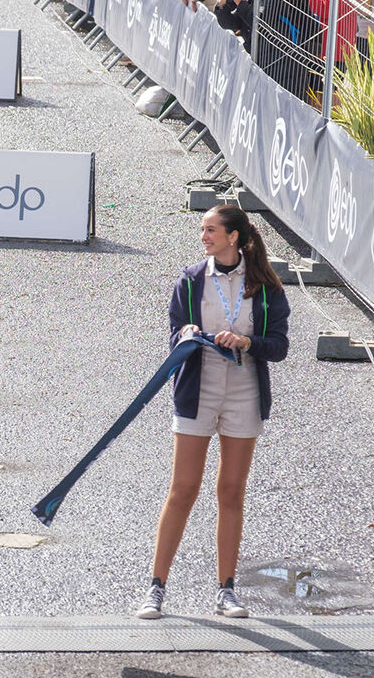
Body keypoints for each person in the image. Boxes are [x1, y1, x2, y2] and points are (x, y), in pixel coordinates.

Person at [136, 204, 290, 620]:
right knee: (183, 489)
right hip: (197, 393)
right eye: (203, 230)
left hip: (244, 394)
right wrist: (185, 333)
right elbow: (175, 333)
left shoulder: (266, 287)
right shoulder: (190, 280)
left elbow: (279, 347)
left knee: (231, 492)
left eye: (211, 230)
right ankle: (156, 588)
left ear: (233, 237)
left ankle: (226, 590)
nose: (204, 237)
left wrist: (246, 342)